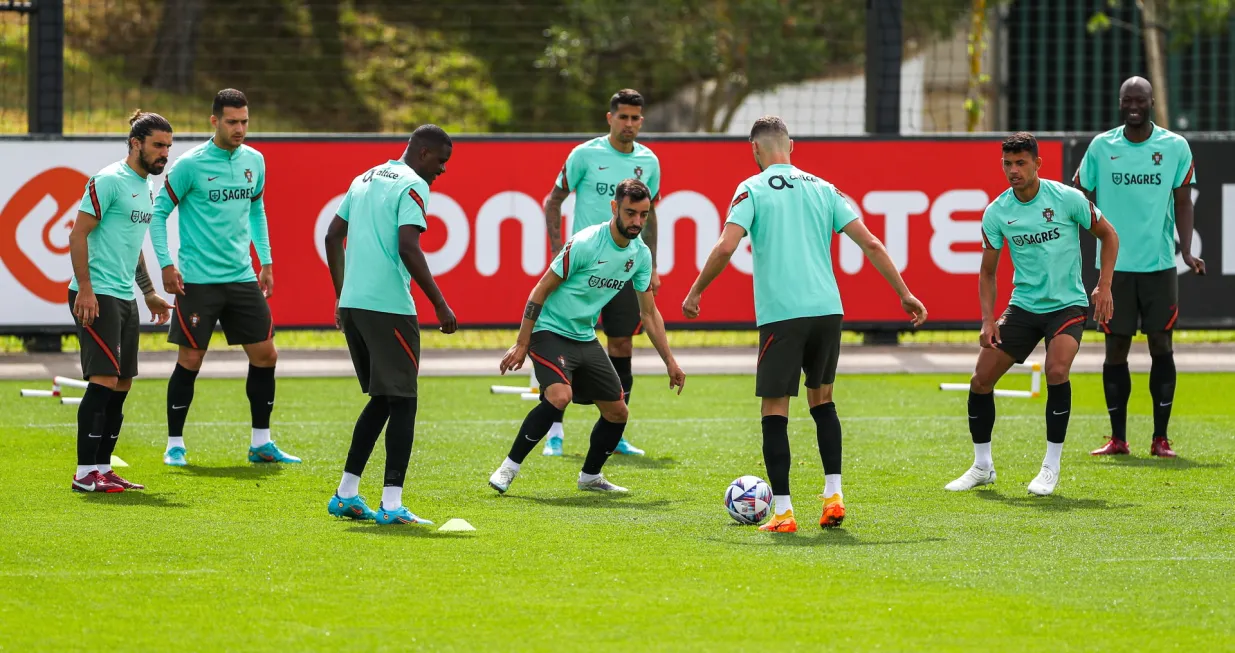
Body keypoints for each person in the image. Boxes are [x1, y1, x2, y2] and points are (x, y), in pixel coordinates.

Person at [682, 116, 927, 533]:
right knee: (823, 401)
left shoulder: (751, 189)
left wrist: (696, 290)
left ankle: (782, 512)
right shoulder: (823, 187)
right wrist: (904, 293)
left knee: (774, 410)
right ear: (790, 146)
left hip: (783, 314)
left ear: (755, 150)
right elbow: (871, 242)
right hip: (828, 311)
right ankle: (834, 496)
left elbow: (726, 245)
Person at [947, 132, 1119, 497]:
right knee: (980, 380)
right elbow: (987, 272)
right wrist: (988, 319)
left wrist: (1104, 286)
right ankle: (982, 467)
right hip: (1023, 307)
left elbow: (1109, 235)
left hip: (1067, 305)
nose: (1013, 170)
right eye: (1007, 164)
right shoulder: (997, 212)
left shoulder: (1067, 199)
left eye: (1021, 163)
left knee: (1057, 371)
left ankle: (1050, 467)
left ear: (1037, 164)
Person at [489, 179, 685, 495]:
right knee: (558, 397)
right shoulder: (585, 243)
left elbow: (649, 314)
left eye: (643, 215)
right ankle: (507, 469)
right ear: (614, 208)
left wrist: (671, 362)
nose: (637, 221)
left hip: (584, 336)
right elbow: (540, 289)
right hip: (549, 331)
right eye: (631, 213)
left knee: (618, 411)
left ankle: (590, 476)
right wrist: (522, 343)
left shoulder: (640, 254)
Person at [151, 88, 294, 466]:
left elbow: (257, 211)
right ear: (214, 121)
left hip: (242, 277)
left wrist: (266, 261)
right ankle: (174, 444)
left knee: (266, 354)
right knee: (191, 358)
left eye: (245, 121)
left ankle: (261, 443)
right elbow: (158, 212)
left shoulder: (255, 161)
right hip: (197, 280)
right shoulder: (189, 165)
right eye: (232, 121)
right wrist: (166, 264)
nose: (240, 128)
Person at [323, 125, 458, 525]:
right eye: (441, 161)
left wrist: (340, 293)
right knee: (404, 401)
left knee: (384, 398)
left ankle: (346, 494)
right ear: (423, 153)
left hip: (354, 305)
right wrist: (440, 303)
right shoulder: (413, 184)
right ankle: (392, 505)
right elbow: (407, 245)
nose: (443, 170)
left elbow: (332, 236)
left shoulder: (364, 177)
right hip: (388, 307)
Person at [1074, 76, 1200, 458]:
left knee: (1161, 344)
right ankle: (1118, 439)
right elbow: (1078, 194)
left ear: (1151, 103)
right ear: (1119, 102)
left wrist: (1188, 251)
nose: (1133, 106)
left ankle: (1160, 439)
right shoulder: (1101, 147)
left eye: (1140, 100)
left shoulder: (1174, 146)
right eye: (1127, 99)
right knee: (1116, 349)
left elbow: (1183, 202)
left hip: (1159, 265)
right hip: (1115, 269)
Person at [539, 88, 662, 457]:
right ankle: (554, 431)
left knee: (621, 344)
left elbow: (648, 214)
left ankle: (615, 431)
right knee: (568, 341)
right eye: (622, 116)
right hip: (580, 270)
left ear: (642, 120)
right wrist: (558, 250)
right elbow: (553, 200)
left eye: (635, 118)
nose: (629, 124)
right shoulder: (584, 154)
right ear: (610, 118)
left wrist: (651, 262)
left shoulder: (649, 162)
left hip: (623, 268)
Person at [68, 110, 174, 492]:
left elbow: (133, 247)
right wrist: (85, 288)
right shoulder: (108, 180)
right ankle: (84, 474)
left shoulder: (146, 187)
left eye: (168, 146)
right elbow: (77, 236)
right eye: (158, 145)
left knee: (122, 383)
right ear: (136, 144)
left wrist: (147, 292)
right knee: (103, 381)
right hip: (97, 294)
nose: (164, 154)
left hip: (124, 296)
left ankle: (102, 467)